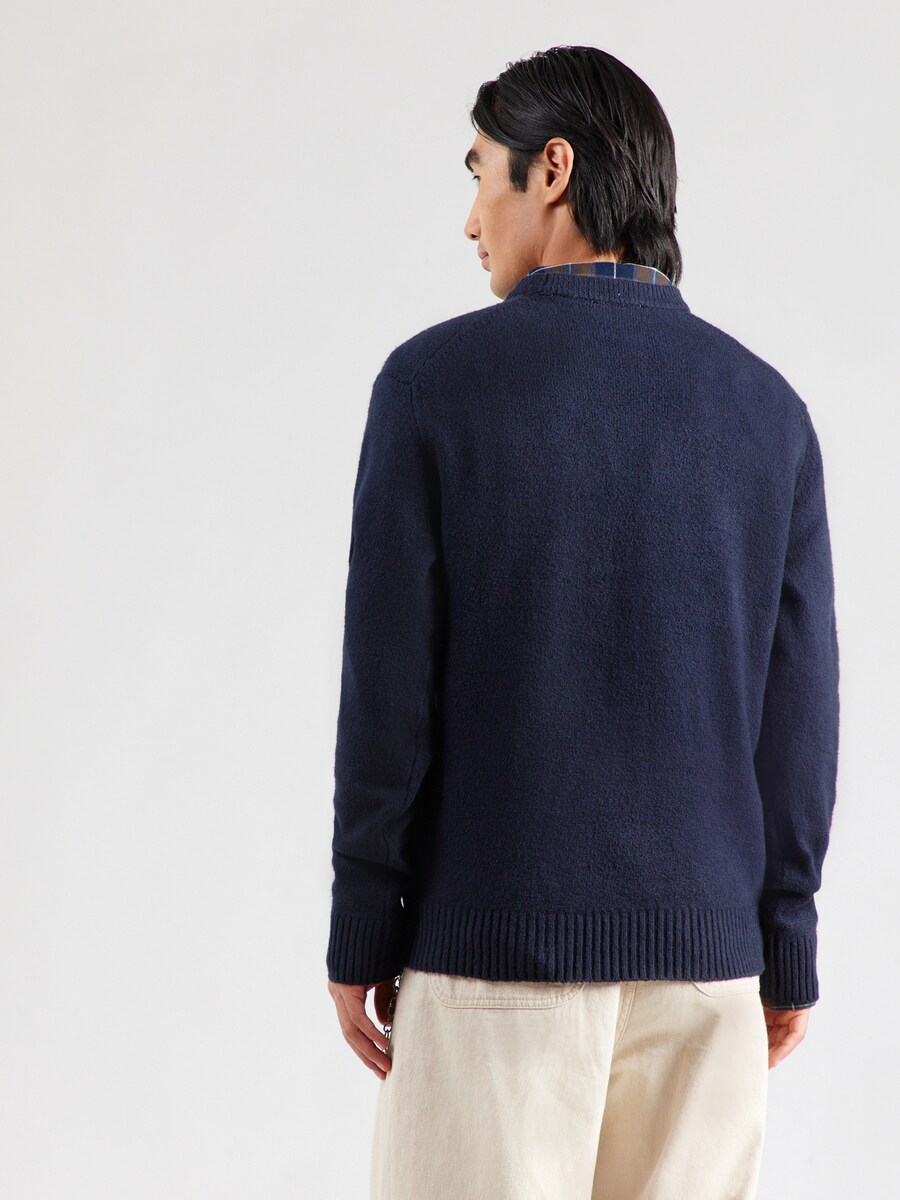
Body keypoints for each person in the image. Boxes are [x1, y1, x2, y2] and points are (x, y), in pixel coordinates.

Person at [325, 44, 840, 1200]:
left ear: (550, 170)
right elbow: (799, 715)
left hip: (493, 963)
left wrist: (364, 921)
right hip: (707, 981)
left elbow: (389, 692)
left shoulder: (432, 388)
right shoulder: (768, 414)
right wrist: (786, 936)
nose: (470, 219)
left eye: (480, 174)